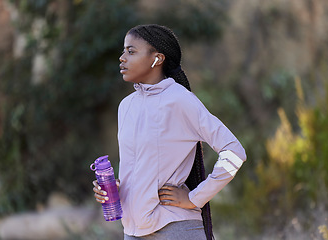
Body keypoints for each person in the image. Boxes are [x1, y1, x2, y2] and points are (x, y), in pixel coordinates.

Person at [93, 24, 247, 240]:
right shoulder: (126, 106)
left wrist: (195, 198)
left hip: (175, 228)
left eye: (131, 51)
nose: (122, 58)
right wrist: (114, 189)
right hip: (132, 232)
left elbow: (234, 152)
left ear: (157, 59)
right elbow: (141, 167)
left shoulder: (180, 100)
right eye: (123, 51)